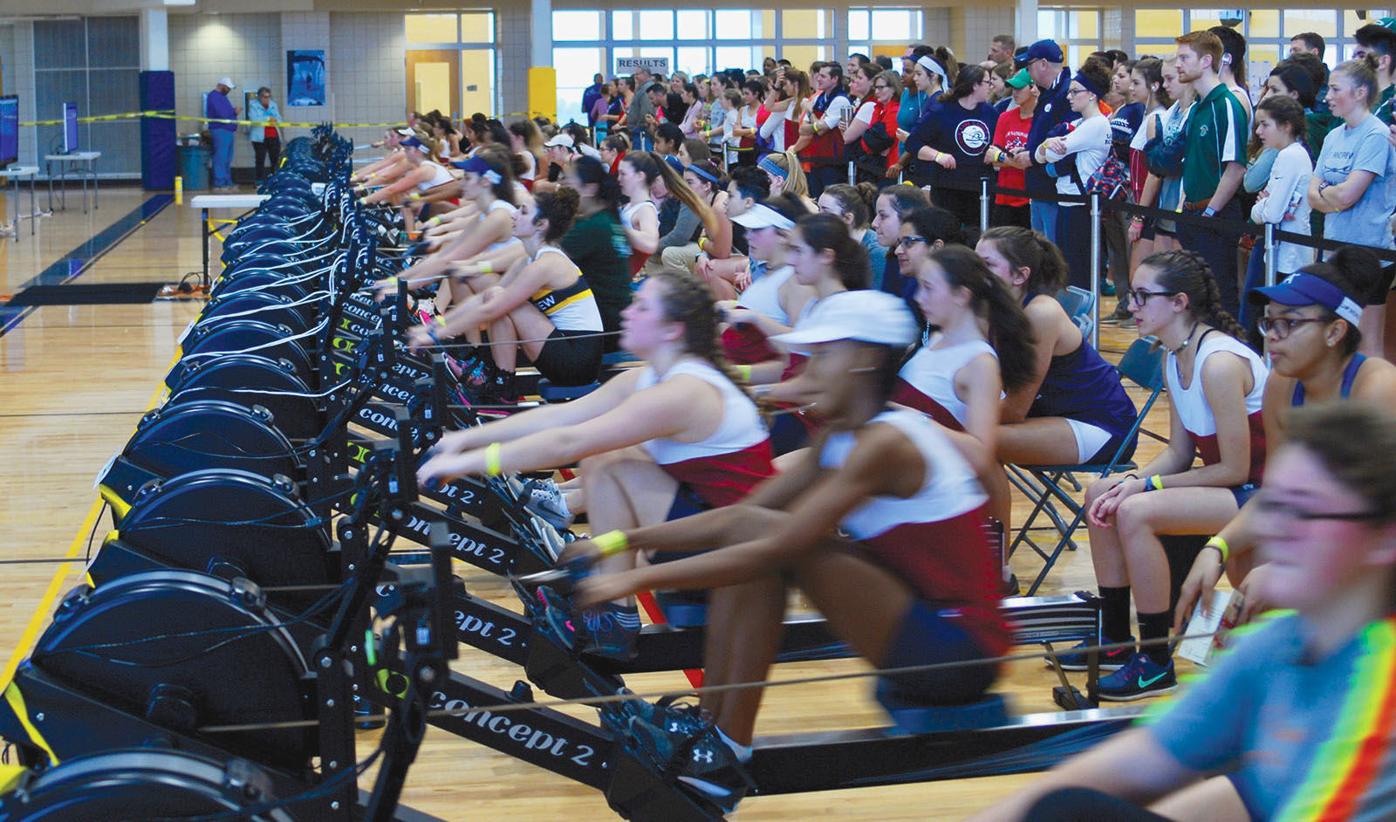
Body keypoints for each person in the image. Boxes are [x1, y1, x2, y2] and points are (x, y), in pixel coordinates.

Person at [556, 290, 1009, 813]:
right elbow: (741, 515)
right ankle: (710, 727)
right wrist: (619, 543)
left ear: (866, 359)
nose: (808, 370)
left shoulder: (887, 444)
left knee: (780, 550)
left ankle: (724, 751)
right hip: (919, 629)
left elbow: (777, 545)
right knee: (757, 531)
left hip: (958, 653)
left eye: (824, 355)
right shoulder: (840, 438)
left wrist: (631, 579)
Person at [980, 402, 1396, 822]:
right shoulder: (1274, 644)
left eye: (1308, 511)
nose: (1277, 529)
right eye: (1275, 505)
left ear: (1385, 537)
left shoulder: (1383, 677)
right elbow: (1141, 758)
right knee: (1063, 807)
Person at [420, 271, 776, 661]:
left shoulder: (684, 391)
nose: (627, 312)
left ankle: (614, 618)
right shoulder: (655, 376)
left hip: (730, 558)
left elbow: (569, 441)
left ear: (672, 330)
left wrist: (471, 462)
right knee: (609, 459)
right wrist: (466, 440)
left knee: (608, 460)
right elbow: (561, 417)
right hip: (708, 531)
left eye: (642, 307)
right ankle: (613, 605)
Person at [1077, 250, 1266, 701]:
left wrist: (1148, 486)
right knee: (1101, 493)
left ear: (1179, 302)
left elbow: (1236, 469)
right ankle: (1115, 640)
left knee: (1136, 511)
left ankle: (1156, 662)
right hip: (1232, 487)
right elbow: (1180, 454)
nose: (1132, 305)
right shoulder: (1173, 355)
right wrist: (1131, 482)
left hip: (1264, 495)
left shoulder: (1218, 363)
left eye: (1143, 296)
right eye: (1132, 294)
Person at [1175, 250, 1396, 634]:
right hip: (1346, 539)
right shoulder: (1282, 385)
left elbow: (1377, 523)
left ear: (1335, 332)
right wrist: (1216, 548)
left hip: (1379, 545)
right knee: (1243, 556)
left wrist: (1285, 571)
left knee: (1269, 572)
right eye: (1270, 323)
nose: (1273, 337)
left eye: (1289, 323)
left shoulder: (1378, 387)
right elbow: (1276, 496)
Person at [409, 188, 604, 402]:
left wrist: (434, 335)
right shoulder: (527, 260)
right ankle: (495, 375)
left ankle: (503, 386)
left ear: (541, 224)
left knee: (499, 299)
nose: (514, 214)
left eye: (523, 211)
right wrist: (433, 326)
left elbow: (493, 307)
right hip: (561, 349)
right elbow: (481, 300)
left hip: (577, 361)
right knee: (493, 294)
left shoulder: (547, 263)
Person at [895, 244, 1036, 531]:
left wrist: (911, 419)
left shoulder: (979, 363)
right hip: (899, 467)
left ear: (961, 295)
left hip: (925, 489)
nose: (919, 297)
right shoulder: (935, 340)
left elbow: (981, 454)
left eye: (928, 288)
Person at [978, 226, 1138, 472]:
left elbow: (1015, 409)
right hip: (1053, 415)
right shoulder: (994, 309)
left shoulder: (1041, 313)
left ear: (1020, 275)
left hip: (1101, 425)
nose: (974, 272)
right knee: (961, 437)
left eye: (987, 264)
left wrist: (951, 419)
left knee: (972, 441)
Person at [1309, 56, 1396, 359]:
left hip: (1370, 253)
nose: (1328, 97)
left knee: (1366, 344)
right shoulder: (1334, 136)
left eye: (1336, 89)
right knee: (1339, 340)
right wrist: (1330, 195)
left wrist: (1327, 193)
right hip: (1336, 250)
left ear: (1360, 93)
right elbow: (1312, 195)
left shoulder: (1376, 135)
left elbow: (1348, 195)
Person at [1174, 30, 1250, 318]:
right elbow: (1191, 162)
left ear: (1206, 61)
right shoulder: (1197, 108)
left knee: (1220, 297)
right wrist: (1184, 209)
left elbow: (1236, 167)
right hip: (1193, 214)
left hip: (1215, 216)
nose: (1178, 64)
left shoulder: (1227, 104)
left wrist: (1210, 212)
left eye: (1184, 58)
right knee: (1195, 297)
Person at [1034, 60, 1111, 290]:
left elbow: (1048, 155)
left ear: (1092, 95)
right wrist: (1046, 145)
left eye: (1075, 92)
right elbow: (1040, 154)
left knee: (1078, 272)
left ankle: (1083, 313)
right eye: (1069, 92)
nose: (1069, 97)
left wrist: (1046, 147)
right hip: (1068, 202)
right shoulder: (1078, 123)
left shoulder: (1095, 125)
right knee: (1066, 270)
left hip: (1080, 204)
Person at [1240, 95, 1314, 333]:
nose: (1259, 131)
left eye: (1265, 124)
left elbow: (1270, 213)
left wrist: (1261, 204)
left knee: (1273, 322)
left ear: (1286, 126)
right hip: (1281, 251)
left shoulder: (1290, 156)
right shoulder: (1293, 153)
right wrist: (1265, 204)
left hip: (1286, 255)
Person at [908, 65, 999, 229]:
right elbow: (913, 142)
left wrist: (995, 152)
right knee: (947, 232)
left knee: (975, 233)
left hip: (980, 188)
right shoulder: (941, 111)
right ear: (975, 85)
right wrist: (938, 156)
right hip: (948, 187)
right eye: (987, 82)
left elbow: (998, 144)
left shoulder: (991, 113)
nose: (990, 87)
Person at [561, 156, 632, 351]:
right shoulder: (606, 219)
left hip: (602, 327)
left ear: (590, 189)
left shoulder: (593, 227)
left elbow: (544, 258)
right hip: (615, 321)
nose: (563, 188)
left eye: (568, 182)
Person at [1123, 57, 1174, 300]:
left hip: (1150, 207)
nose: (1131, 88)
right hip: (1142, 202)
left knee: (1141, 279)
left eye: (1136, 83)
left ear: (1154, 85)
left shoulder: (1157, 119)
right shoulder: (1148, 116)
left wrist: (1139, 216)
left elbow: (1155, 173)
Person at [1021, 40, 1074, 238]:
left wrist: (1033, 157)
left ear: (1043, 64)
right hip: (1039, 186)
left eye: (1029, 66)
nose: (1027, 71)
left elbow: (1064, 140)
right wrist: (1028, 150)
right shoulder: (1049, 93)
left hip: (1052, 186)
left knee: (1051, 247)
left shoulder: (1066, 93)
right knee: (1039, 246)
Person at [988, 69, 1038, 228]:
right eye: (1013, 88)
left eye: (1019, 88)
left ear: (1033, 88)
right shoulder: (1005, 117)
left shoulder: (1040, 120)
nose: (1015, 93)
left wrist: (1003, 157)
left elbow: (1034, 161)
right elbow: (992, 158)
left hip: (1029, 197)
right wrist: (1018, 161)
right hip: (1005, 196)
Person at [796, 62, 854, 197]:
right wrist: (816, 124)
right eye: (818, 75)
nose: (818, 79)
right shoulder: (819, 98)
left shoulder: (840, 100)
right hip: (816, 160)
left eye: (823, 76)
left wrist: (810, 112)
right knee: (815, 199)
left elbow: (822, 130)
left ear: (835, 79)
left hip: (833, 163)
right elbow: (802, 130)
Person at [816, 183, 884, 288]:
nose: (817, 217)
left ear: (848, 218)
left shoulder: (876, 253)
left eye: (825, 211)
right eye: (818, 210)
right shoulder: (834, 245)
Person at [871, 184, 931, 302]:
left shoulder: (922, 268)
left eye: (883, 216)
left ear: (907, 217)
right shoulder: (893, 257)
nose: (874, 223)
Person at [616, 151, 661, 274]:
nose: (619, 179)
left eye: (623, 174)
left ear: (640, 176)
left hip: (622, 274)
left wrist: (615, 228)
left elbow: (651, 243)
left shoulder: (645, 210)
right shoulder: (628, 206)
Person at [206, 77, 240, 191]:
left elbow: (224, 112)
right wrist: (234, 111)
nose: (229, 90)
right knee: (221, 158)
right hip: (220, 130)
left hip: (227, 131)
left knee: (227, 158)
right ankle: (219, 183)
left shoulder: (221, 97)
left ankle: (227, 182)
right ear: (221, 85)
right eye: (227, 88)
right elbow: (222, 113)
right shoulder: (214, 96)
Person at [247, 86, 282, 183]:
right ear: (259, 97)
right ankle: (259, 181)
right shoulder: (253, 106)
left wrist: (275, 120)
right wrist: (268, 119)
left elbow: (279, 119)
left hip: (274, 136)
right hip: (259, 138)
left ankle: (275, 180)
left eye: (268, 97)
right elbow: (254, 119)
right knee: (260, 160)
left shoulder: (273, 105)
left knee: (275, 159)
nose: (267, 99)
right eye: (264, 97)